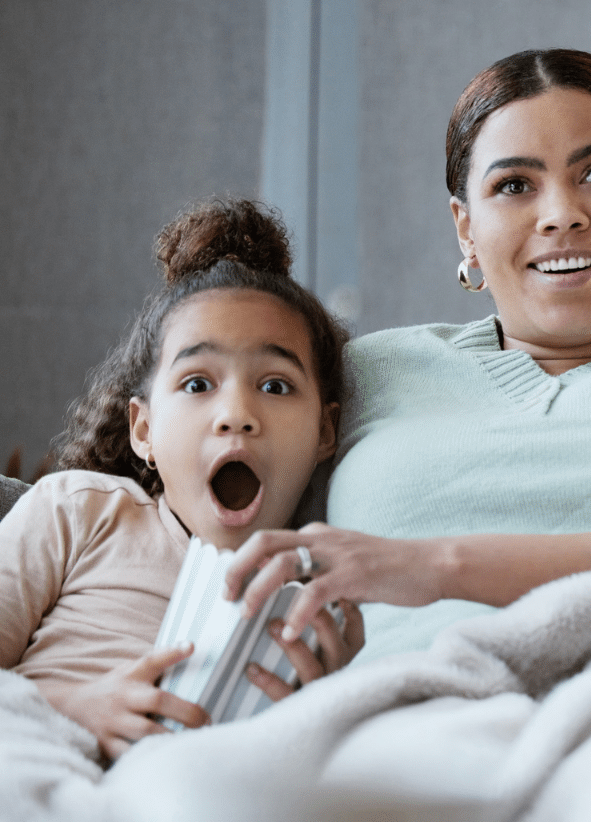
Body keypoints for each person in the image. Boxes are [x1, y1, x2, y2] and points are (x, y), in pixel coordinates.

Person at [225, 49, 591, 659]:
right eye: (513, 186)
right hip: (366, 719)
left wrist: (437, 566)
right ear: (466, 229)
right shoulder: (360, 372)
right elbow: (205, 514)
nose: (562, 214)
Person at [0, 198, 362, 762]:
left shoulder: (323, 596)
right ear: (143, 429)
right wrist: (72, 706)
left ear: (324, 430)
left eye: (275, 385)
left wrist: (323, 707)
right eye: (197, 384)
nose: (236, 413)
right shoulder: (81, 510)